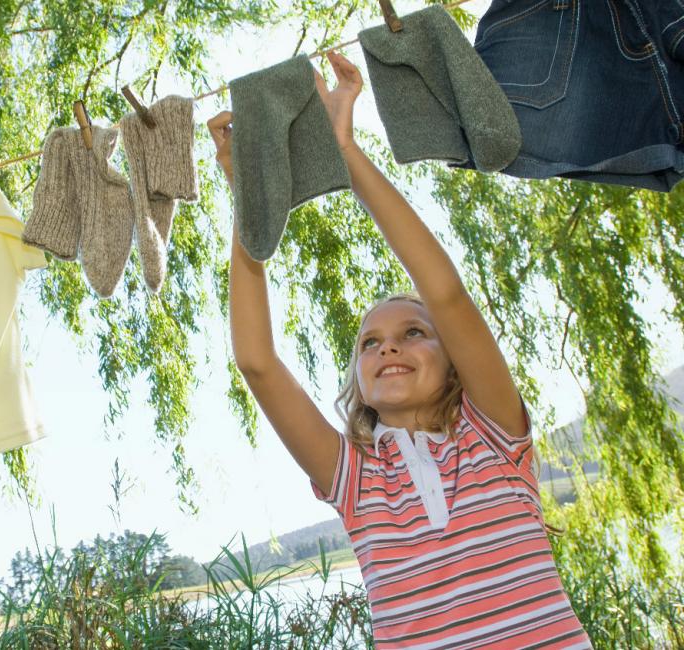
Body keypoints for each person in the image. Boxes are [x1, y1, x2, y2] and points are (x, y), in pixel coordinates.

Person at [207, 50, 591, 649]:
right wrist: (250, 202)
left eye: (414, 332)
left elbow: (447, 293)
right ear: (358, 381)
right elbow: (257, 361)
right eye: (369, 344)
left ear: (454, 360)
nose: (389, 349)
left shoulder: (493, 434)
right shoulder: (356, 479)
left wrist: (348, 155)